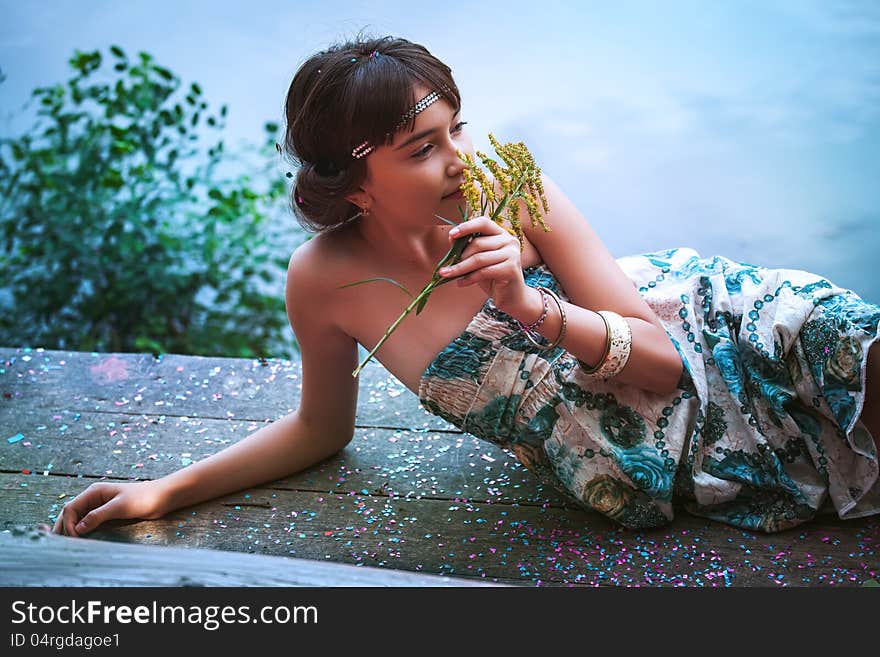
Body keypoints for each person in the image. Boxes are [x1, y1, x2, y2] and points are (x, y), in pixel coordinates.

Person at [54, 35, 880, 537]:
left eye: (458, 126)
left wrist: (529, 306)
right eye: (421, 147)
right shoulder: (324, 283)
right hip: (665, 470)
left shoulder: (514, 193)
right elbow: (318, 428)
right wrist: (166, 487)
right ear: (353, 184)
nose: (457, 158)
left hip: (722, 332)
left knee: (848, 347)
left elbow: (668, 362)